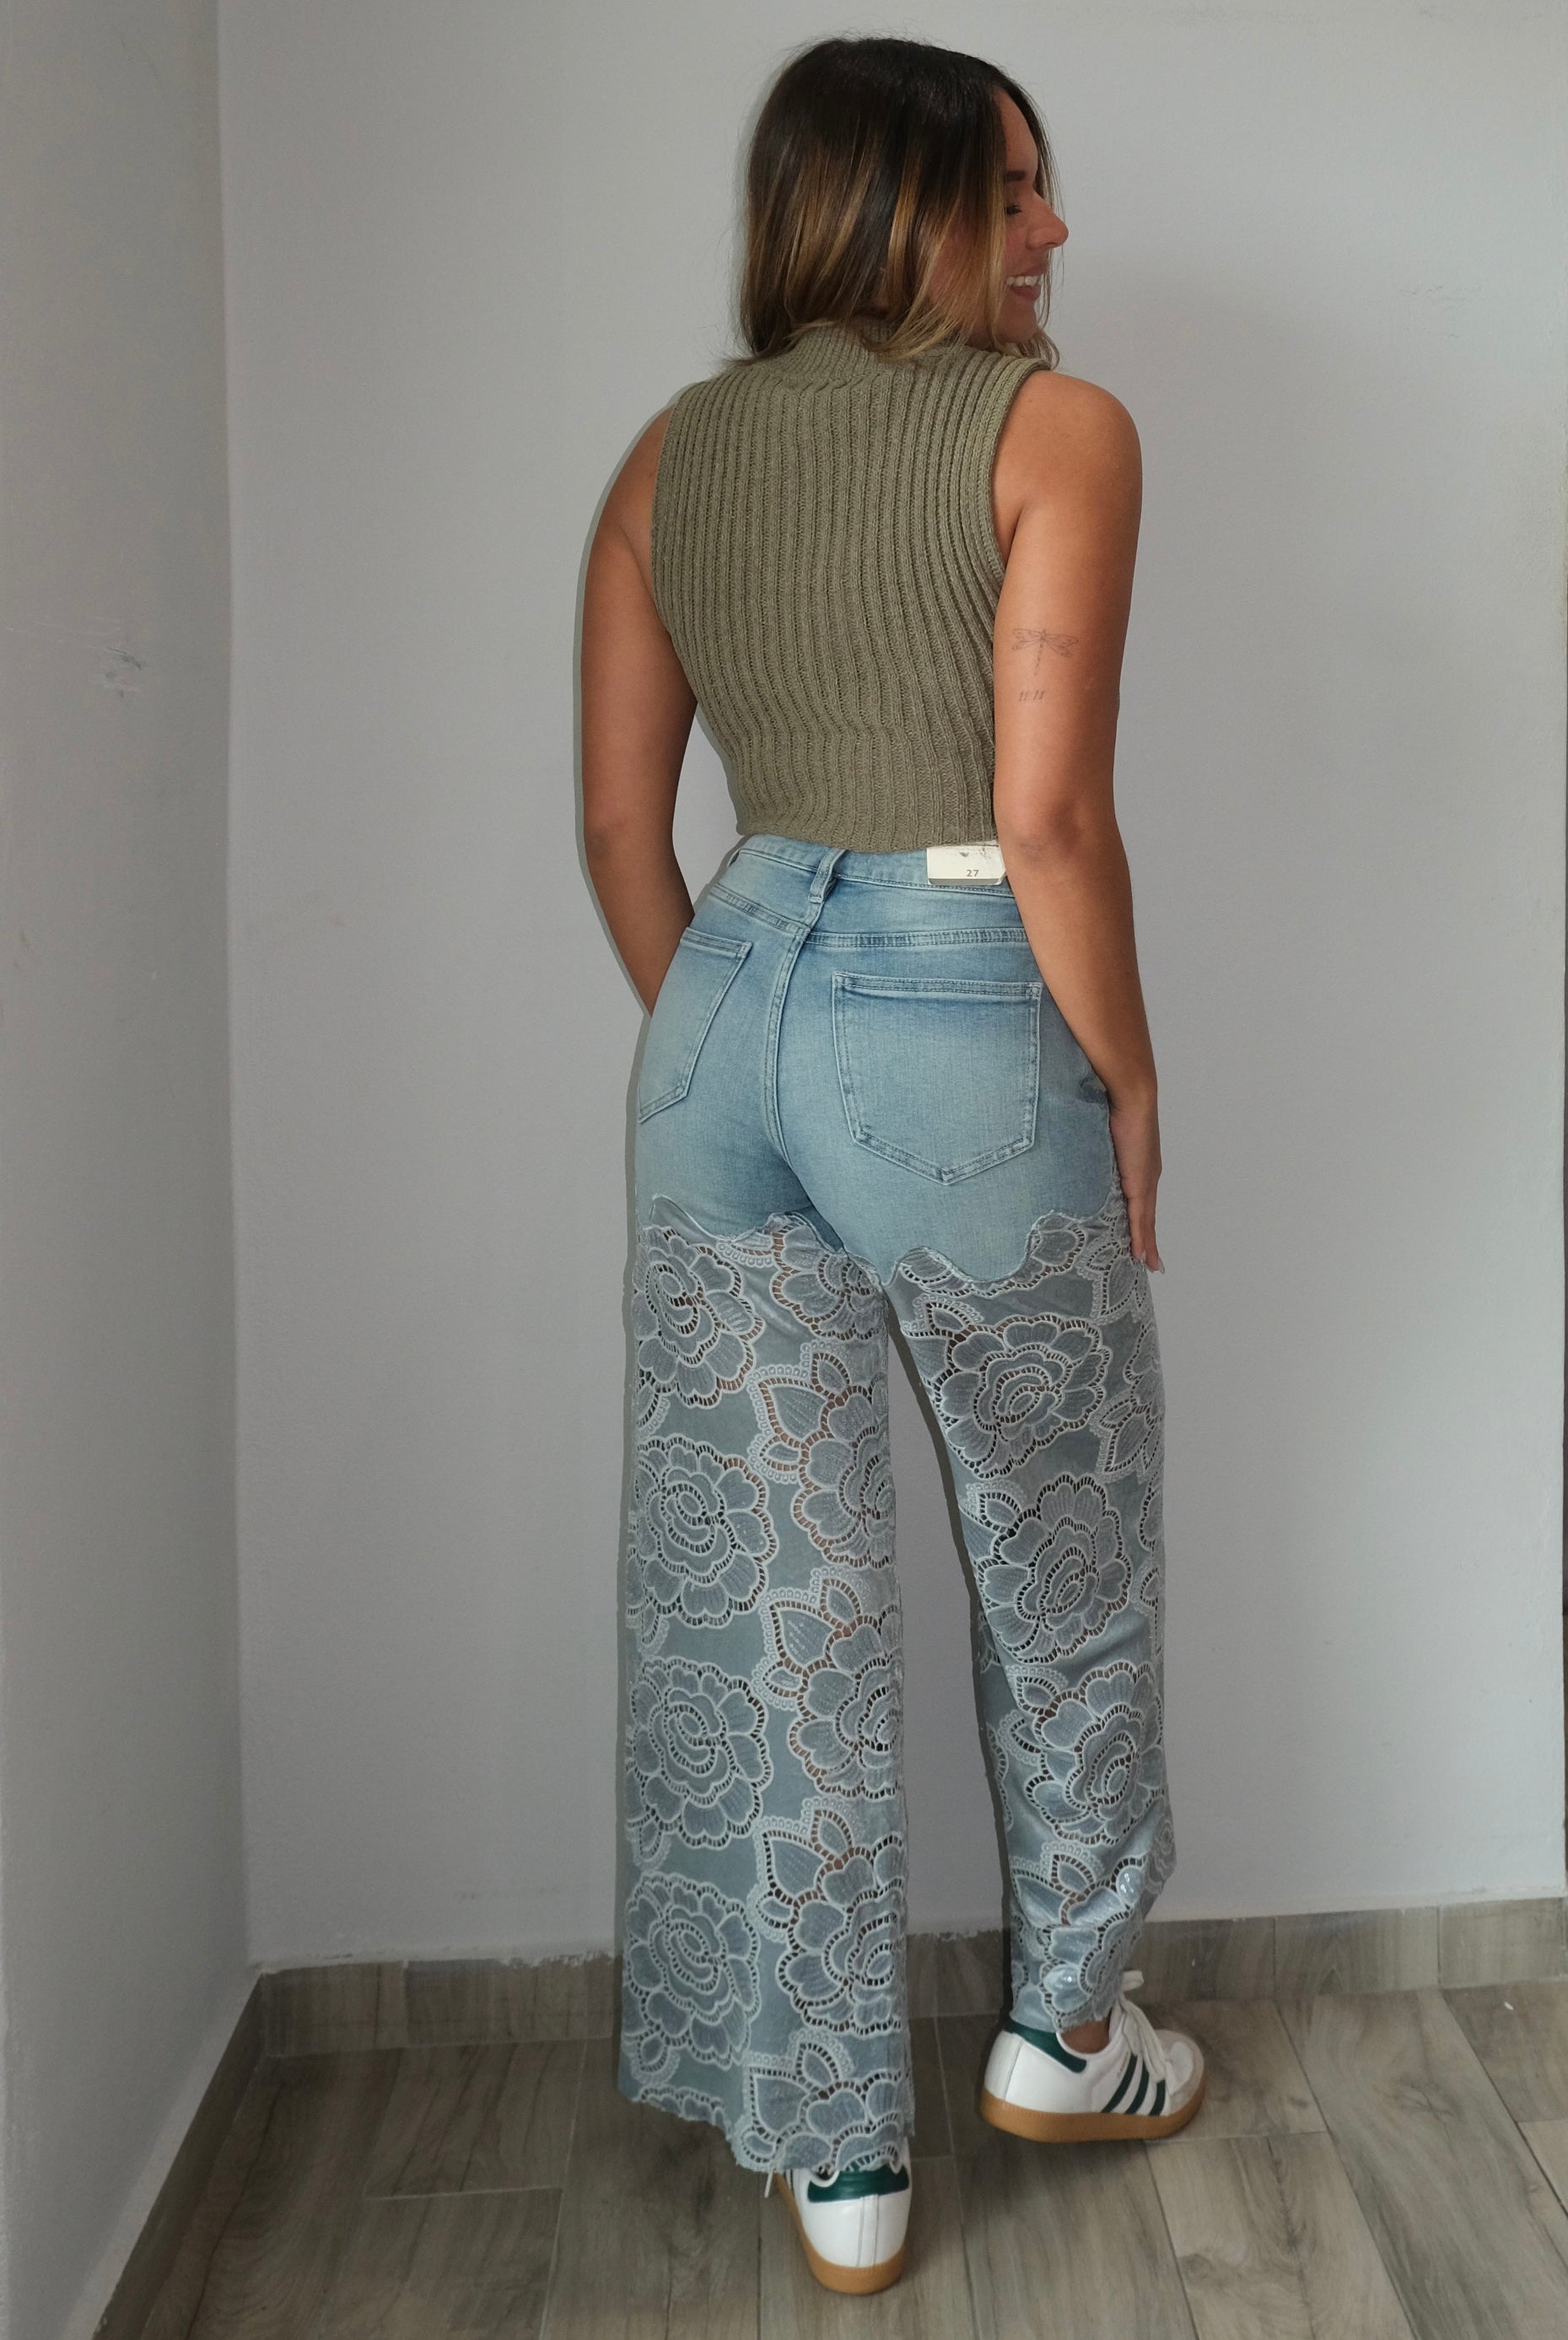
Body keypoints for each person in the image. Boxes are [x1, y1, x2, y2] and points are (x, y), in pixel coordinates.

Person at [579, 31, 1204, 2296]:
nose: (1053, 229)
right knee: (1066, 1555)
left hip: (720, 1008)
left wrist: (751, 1022)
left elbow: (617, 825)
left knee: (779, 1607)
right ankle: (1066, 2030)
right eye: (1011, 189)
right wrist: (1127, 1077)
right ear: (894, 203)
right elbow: (1046, 818)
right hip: (960, 999)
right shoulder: (1057, 429)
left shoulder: (675, 450)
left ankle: (837, 2154)